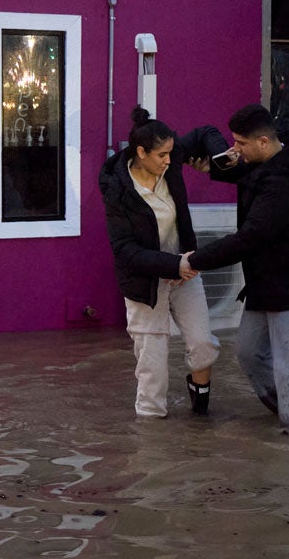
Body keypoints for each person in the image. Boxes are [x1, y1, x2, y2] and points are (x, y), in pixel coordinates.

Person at [185, 104, 289, 437]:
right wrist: (205, 161)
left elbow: (251, 237)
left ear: (264, 142)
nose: (234, 149)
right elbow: (219, 145)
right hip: (267, 281)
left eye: (240, 143)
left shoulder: (285, 181)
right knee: (250, 353)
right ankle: (287, 413)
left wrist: (192, 261)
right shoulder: (266, 160)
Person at [99, 107, 227, 418]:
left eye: (172, 153)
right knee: (152, 368)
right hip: (145, 283)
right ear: (140, 153)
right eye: (162, 156)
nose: (170, 161)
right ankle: (151, 447)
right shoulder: (117, 191)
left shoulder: (170, 161)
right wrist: (173, 265)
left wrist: (220, 158)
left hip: (185, 272)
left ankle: (200, 414)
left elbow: (207, 131)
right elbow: (125, 251)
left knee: (203, 345)